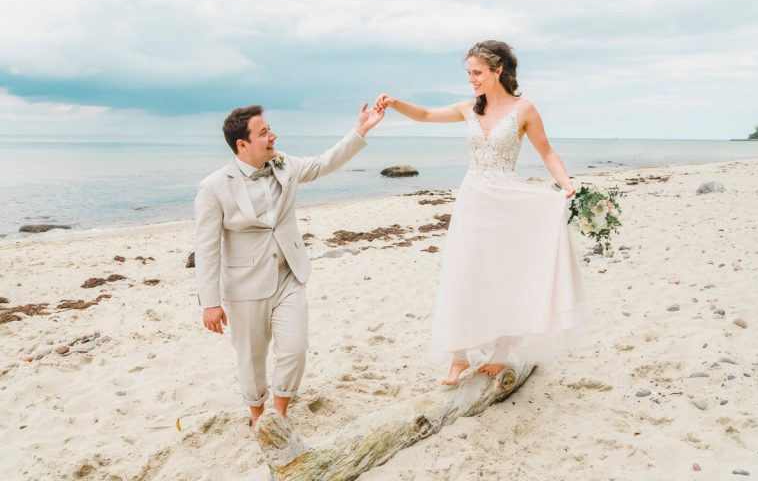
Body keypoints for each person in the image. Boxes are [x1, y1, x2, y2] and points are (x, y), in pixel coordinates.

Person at [375, 40, 585, 385]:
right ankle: (458, 356)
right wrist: (395, 103)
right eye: (469, 73)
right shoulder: (468, 109)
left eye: (477, 73)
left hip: (506, 201)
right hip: (473, 199)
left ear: (498, 70)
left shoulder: (525, 110)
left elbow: (546, 151)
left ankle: (501, 351)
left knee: (501, 273)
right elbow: (427, 115)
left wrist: (565, 184)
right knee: (465, 272)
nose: (472, 79)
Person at [195, 103, 384, 424]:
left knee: (295, 350)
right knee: (251, 359)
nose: (273, 135)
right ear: (242, 144)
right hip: (245, 287)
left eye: (270, 128)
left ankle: (279, 414)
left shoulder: (283, 164)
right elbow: (207, 247)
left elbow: (325, 162)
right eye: (264, 132)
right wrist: (209, 303)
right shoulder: (213, 186)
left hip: (289, 277)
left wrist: (362, 129)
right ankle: (257, 416)